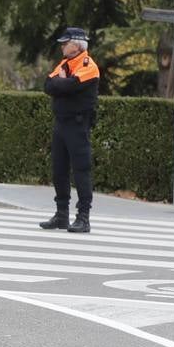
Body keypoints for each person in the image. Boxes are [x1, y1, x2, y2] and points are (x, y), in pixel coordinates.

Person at [40, 26, 100, 234]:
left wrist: (62, 82)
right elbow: (48, 86)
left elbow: (69, 87)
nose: (63, 46)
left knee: (81, 170)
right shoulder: (65, 64)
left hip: (78, 124)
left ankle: (83, 217)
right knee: (59, 169)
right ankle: (61, 214)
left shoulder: (88, 65)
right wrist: (61, 82)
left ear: (78, 44)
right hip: (61, 123)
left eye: (66, 43)